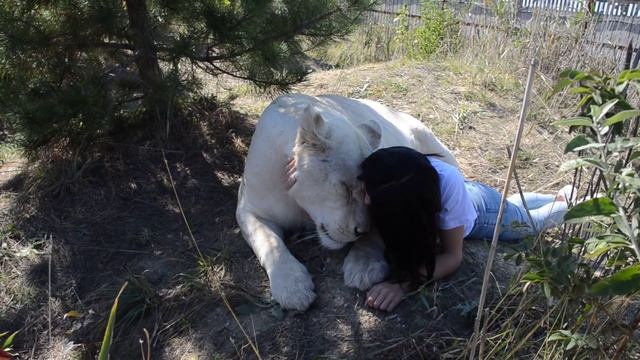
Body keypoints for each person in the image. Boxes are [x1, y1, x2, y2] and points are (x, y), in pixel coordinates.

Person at [357, 146, 575, 312]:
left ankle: (574, 204)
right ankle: (555, 197)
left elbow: (453, 256)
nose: (364, 200)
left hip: (484, 213)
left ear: (402, 202)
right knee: (512, 205)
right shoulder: (394, 171)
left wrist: (402, 285)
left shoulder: (439, 184)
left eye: (370, 194)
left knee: (528, 222)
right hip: (468, 194)